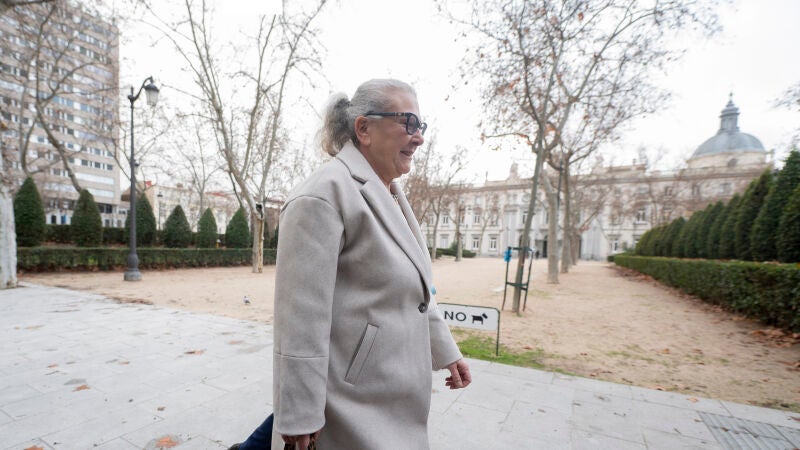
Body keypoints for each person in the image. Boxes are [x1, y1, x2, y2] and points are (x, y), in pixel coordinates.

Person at [270, 79, 471, 449]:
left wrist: (446, 351)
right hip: (349, 405)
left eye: (421, 126)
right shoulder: (323, 194)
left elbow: (414, 290)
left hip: (388, 392)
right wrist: (298, 414)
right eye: (408, 123)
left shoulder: (390, 191)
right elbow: (299, 320)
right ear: (364, 128)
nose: (419, 138)